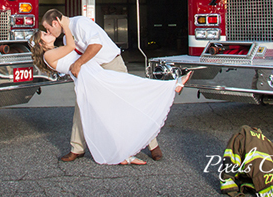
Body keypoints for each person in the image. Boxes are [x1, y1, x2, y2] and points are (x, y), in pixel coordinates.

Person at [31, 15, 191, 165]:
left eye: (48, 29)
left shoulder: (80, 24)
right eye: (45, 34)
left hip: (107, 63)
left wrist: (68, 32)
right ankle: (83, 149)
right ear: (41, 44)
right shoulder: (59, 45)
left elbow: (95, 45)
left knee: (129, 98)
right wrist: (66, 29)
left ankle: (150, 144)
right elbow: (71, 50)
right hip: (92, 75)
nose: (49, 32)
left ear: (55, 22)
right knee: (91, 110)